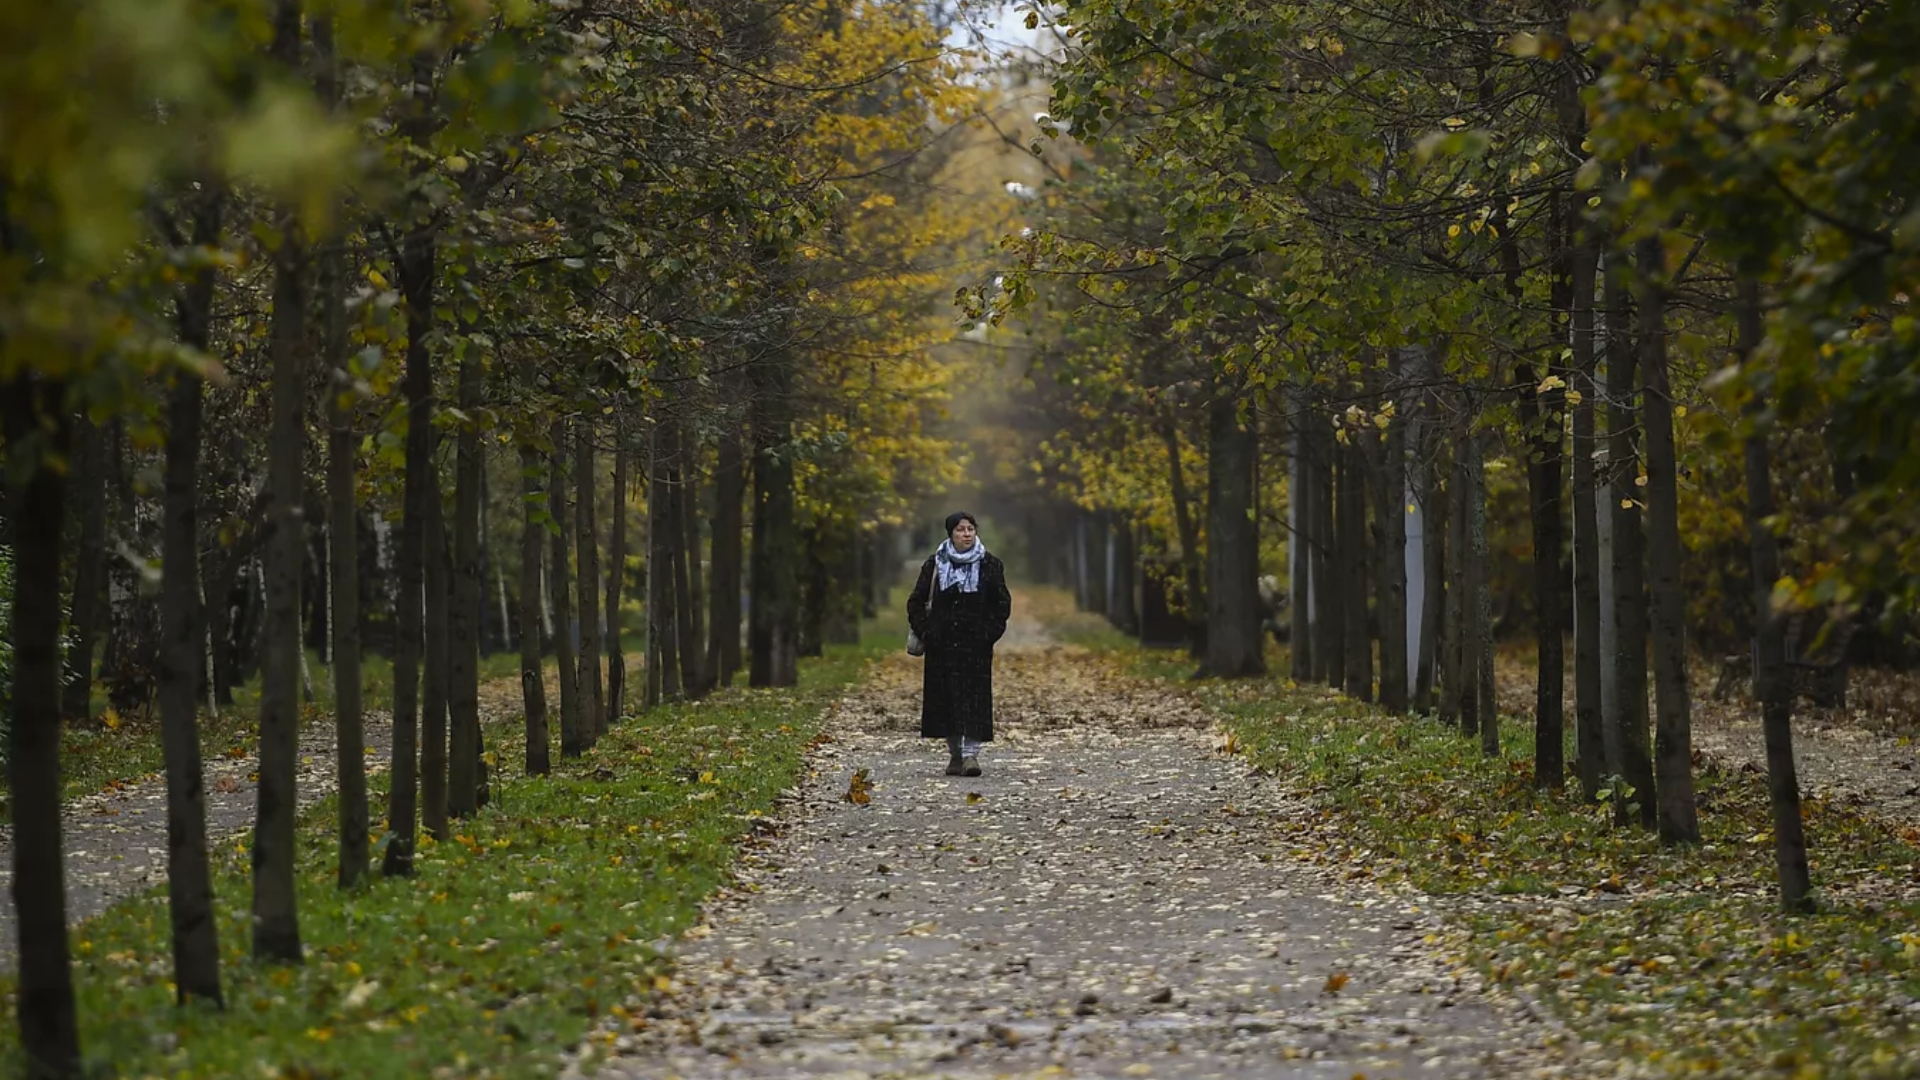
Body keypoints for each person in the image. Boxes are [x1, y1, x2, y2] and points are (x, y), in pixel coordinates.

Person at [907, 511, 1011, 776]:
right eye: (961, 530)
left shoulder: (990, 565)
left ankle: (970, 756)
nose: (966, 534)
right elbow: (916, 602)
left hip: (975, 647)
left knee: (974, 701)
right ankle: (955, 755)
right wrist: (928, 633)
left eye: (970, 529)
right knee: (946, 702)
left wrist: (988, 633)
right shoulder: (934, 565)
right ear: (950, 534)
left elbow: (1001, 605)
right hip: (942, 646)